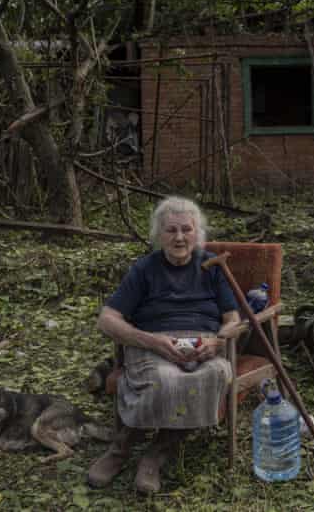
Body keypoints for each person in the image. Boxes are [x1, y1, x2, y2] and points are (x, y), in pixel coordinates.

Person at [87, 196, 239, 494]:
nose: (179, 237)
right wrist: (150, 340)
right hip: (152, 344)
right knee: (164, 379)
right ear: (159, 235)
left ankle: (156, 455)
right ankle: (120, 450)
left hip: (202, 344)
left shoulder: (212, 267)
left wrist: (218, 342)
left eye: (186, 229)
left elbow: (233, 319)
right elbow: (106, 319)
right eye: (171, 230)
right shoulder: (144, 269)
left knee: (214, 374)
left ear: (198, 233)